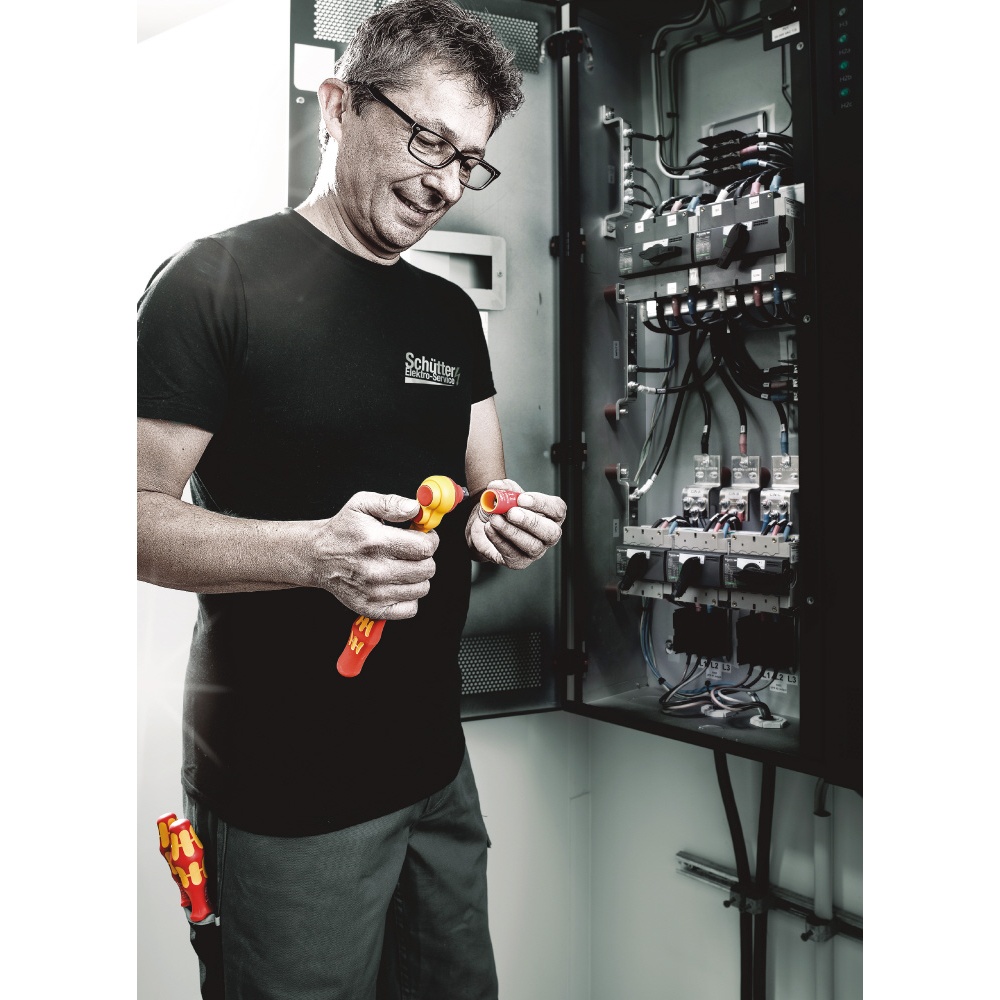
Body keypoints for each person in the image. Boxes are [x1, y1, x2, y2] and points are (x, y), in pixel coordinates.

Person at [136, 0, 567, 996]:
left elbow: (479, 490)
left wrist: (500, 518)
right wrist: (314, 555)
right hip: (283, 789)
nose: (446, 181)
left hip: (434, 770)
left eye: (469, 160)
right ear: (338, 106)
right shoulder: (214, 281)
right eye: (428, 140)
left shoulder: (448, 314)